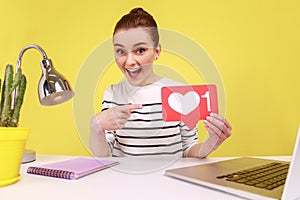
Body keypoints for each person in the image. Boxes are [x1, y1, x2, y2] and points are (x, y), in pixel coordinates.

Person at [90, 7, 232, 158]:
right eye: (121, 51)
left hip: (169, 180)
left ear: (156, 51)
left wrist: (212, 143)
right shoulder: (112, 94)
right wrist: (96, 126)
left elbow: (189, 149)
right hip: (127, 180)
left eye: (140, 50)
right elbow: (104, 155)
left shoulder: (180, 92)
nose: (129, 61)